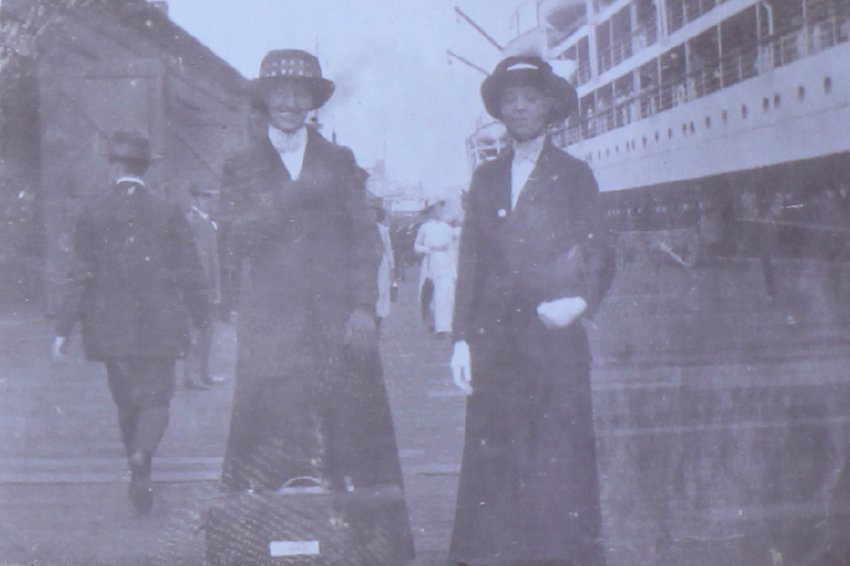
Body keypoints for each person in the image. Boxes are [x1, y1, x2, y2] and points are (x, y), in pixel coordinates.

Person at [216, 49, 413, 559]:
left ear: (311, 103)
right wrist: (283, 200)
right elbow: (234, 238)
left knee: (350, 434)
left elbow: (363, 242)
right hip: (270, 329)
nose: (288, 103)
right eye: (278, 95)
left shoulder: (339, 161)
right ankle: (271, 548)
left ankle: (358, 545)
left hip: (337, 326)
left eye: (298, 94)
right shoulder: (240, 165)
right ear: (264, 103)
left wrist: (363, 308)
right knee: (270, 438)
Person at [449, 56, 615, 566]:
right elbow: (471, 259)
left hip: (553, 341)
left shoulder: (573, 174)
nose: (519, 107)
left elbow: (601, 249)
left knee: (557, 459)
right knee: (495, 458)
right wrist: (460, 338)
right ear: (500, 110)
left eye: (529, 97)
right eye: (509, 99)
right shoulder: (486, 176)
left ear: (549, 107)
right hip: (495, 343)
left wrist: (580, 301)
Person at [51, 131, 209, 514]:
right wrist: (202, 317)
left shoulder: (92, 212)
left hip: (109, 326)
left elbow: (80, 274)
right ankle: (141, 455)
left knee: (126, 404)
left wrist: (62, 329)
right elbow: (191, 271)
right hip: (160, 324)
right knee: (157, 400)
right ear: (146, 168)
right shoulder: (167, 212)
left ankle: (139, 472)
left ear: (114, 165)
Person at [183, 183, 226, 389]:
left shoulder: (207, 221)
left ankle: (205, 373)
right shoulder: (193, 220)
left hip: (209, 285)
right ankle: (191, 376)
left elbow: (213, 258)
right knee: (196, 331)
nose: (211, 201)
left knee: (208, 331)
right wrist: (203, 286)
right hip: (198, 286)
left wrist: (216, 288)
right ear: (198, 198)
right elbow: (198, 258)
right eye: (208, 197)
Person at [414, 201, 456, 337]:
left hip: (445, 265)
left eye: (441, 210)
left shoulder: (447, 228)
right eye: (437, 210)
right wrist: (428, 249)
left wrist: (454, 268)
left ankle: (442, 328)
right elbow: (416, 246)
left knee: (443, 296)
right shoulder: (425, 228)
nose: (440, 212)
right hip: (430, 263)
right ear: (431, 212)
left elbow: (452, 249)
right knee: (429, 294)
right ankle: (431, 321)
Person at [373, 205, 395, 330]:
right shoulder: (364, 230)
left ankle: (378, 323)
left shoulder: (384, 230)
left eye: (374, 214)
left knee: (382, 292)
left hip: (382, 264)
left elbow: (388, 249)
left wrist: (392, 267)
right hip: (368, 264)